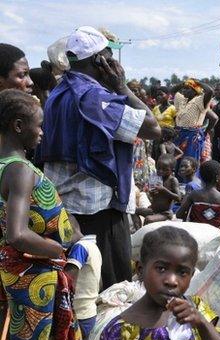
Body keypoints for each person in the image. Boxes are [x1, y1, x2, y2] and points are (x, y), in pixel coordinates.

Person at [38, 26, 161, 289]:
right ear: (99, 61)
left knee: (79, 285)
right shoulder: (94, 98)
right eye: (109, 56)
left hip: (66, 206)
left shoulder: (58, 94)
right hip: (98, 209)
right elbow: (152, 127)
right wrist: (122, 86)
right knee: (111, 287)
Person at [0, 89, 80, 340]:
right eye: (40, 126)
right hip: (33, 271)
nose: (42, 132)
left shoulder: (7, 167)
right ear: (19, 126)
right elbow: (17, 234)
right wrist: (57, 249)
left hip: (25, 269)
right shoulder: (19, 170)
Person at [99, 226, 220, 340]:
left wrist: (202, 323)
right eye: (161, 268)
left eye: (182, 272)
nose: (171, 281)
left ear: (192, 275)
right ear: (140, 269)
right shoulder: (118, 331)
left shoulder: (196, 308)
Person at [65, 234, 103, 340]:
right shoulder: (94, 247)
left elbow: (68, 281)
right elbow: (100, 283)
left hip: (79, 314)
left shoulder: (80, 247)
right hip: (89, 312)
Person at [172, 78, 217, 164]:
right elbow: (172, 91)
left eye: (187, 89)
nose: (184, 90)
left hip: (192, 135)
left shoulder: (200, 100)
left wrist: (197, 82)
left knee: (189, 161)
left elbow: (210, 91)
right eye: (184, 89)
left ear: (194, 91)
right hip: (179, 133)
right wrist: (183, 84)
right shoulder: (182, 100)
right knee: (176, 159)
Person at [137, 154, 181, 225]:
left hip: (165, 213)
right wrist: (152, 193)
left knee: (148, 219)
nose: (160, 171)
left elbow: (179, 198)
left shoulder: (172, 180)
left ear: (172, 170)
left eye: (164, 169)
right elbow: (156, 197)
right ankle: (137, 229)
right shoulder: (157, 179)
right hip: (153, 209)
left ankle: (144, 234)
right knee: (134, 211)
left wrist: (164, 190)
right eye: (158, 168)